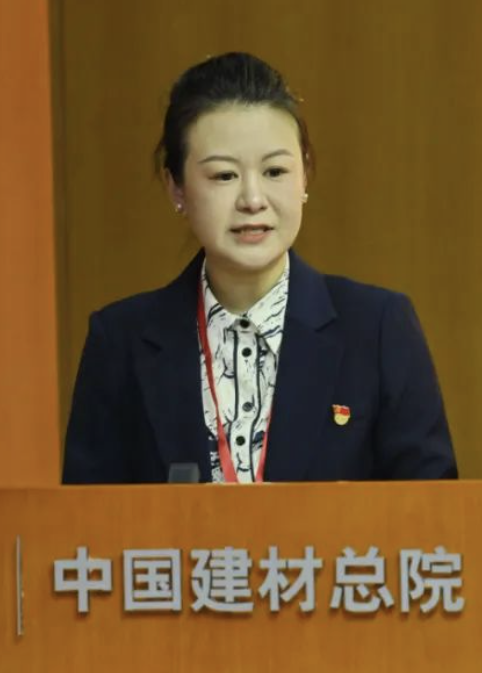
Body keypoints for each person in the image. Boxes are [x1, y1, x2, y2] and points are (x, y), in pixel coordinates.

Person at [62, 52, 456, 484]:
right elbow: (86, 517)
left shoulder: (378, 328)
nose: (252, 199)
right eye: (224, 176)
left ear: (304, 175)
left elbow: (434, 510)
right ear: (176, 187)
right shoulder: (120, 342)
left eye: (274, 171)